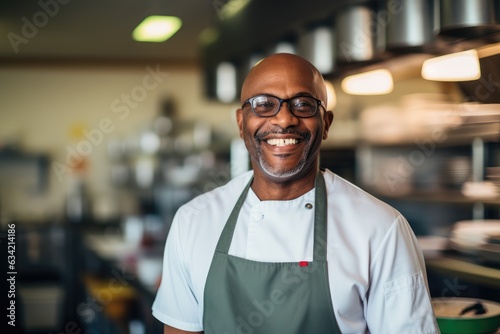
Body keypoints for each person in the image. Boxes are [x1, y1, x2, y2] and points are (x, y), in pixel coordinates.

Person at [152, 53, 440, 334]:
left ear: (325, 123)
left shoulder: (381, 229)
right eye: (264, 104)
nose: (285, 119)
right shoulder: (193, 222)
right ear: (241, 123)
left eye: (303, 104)